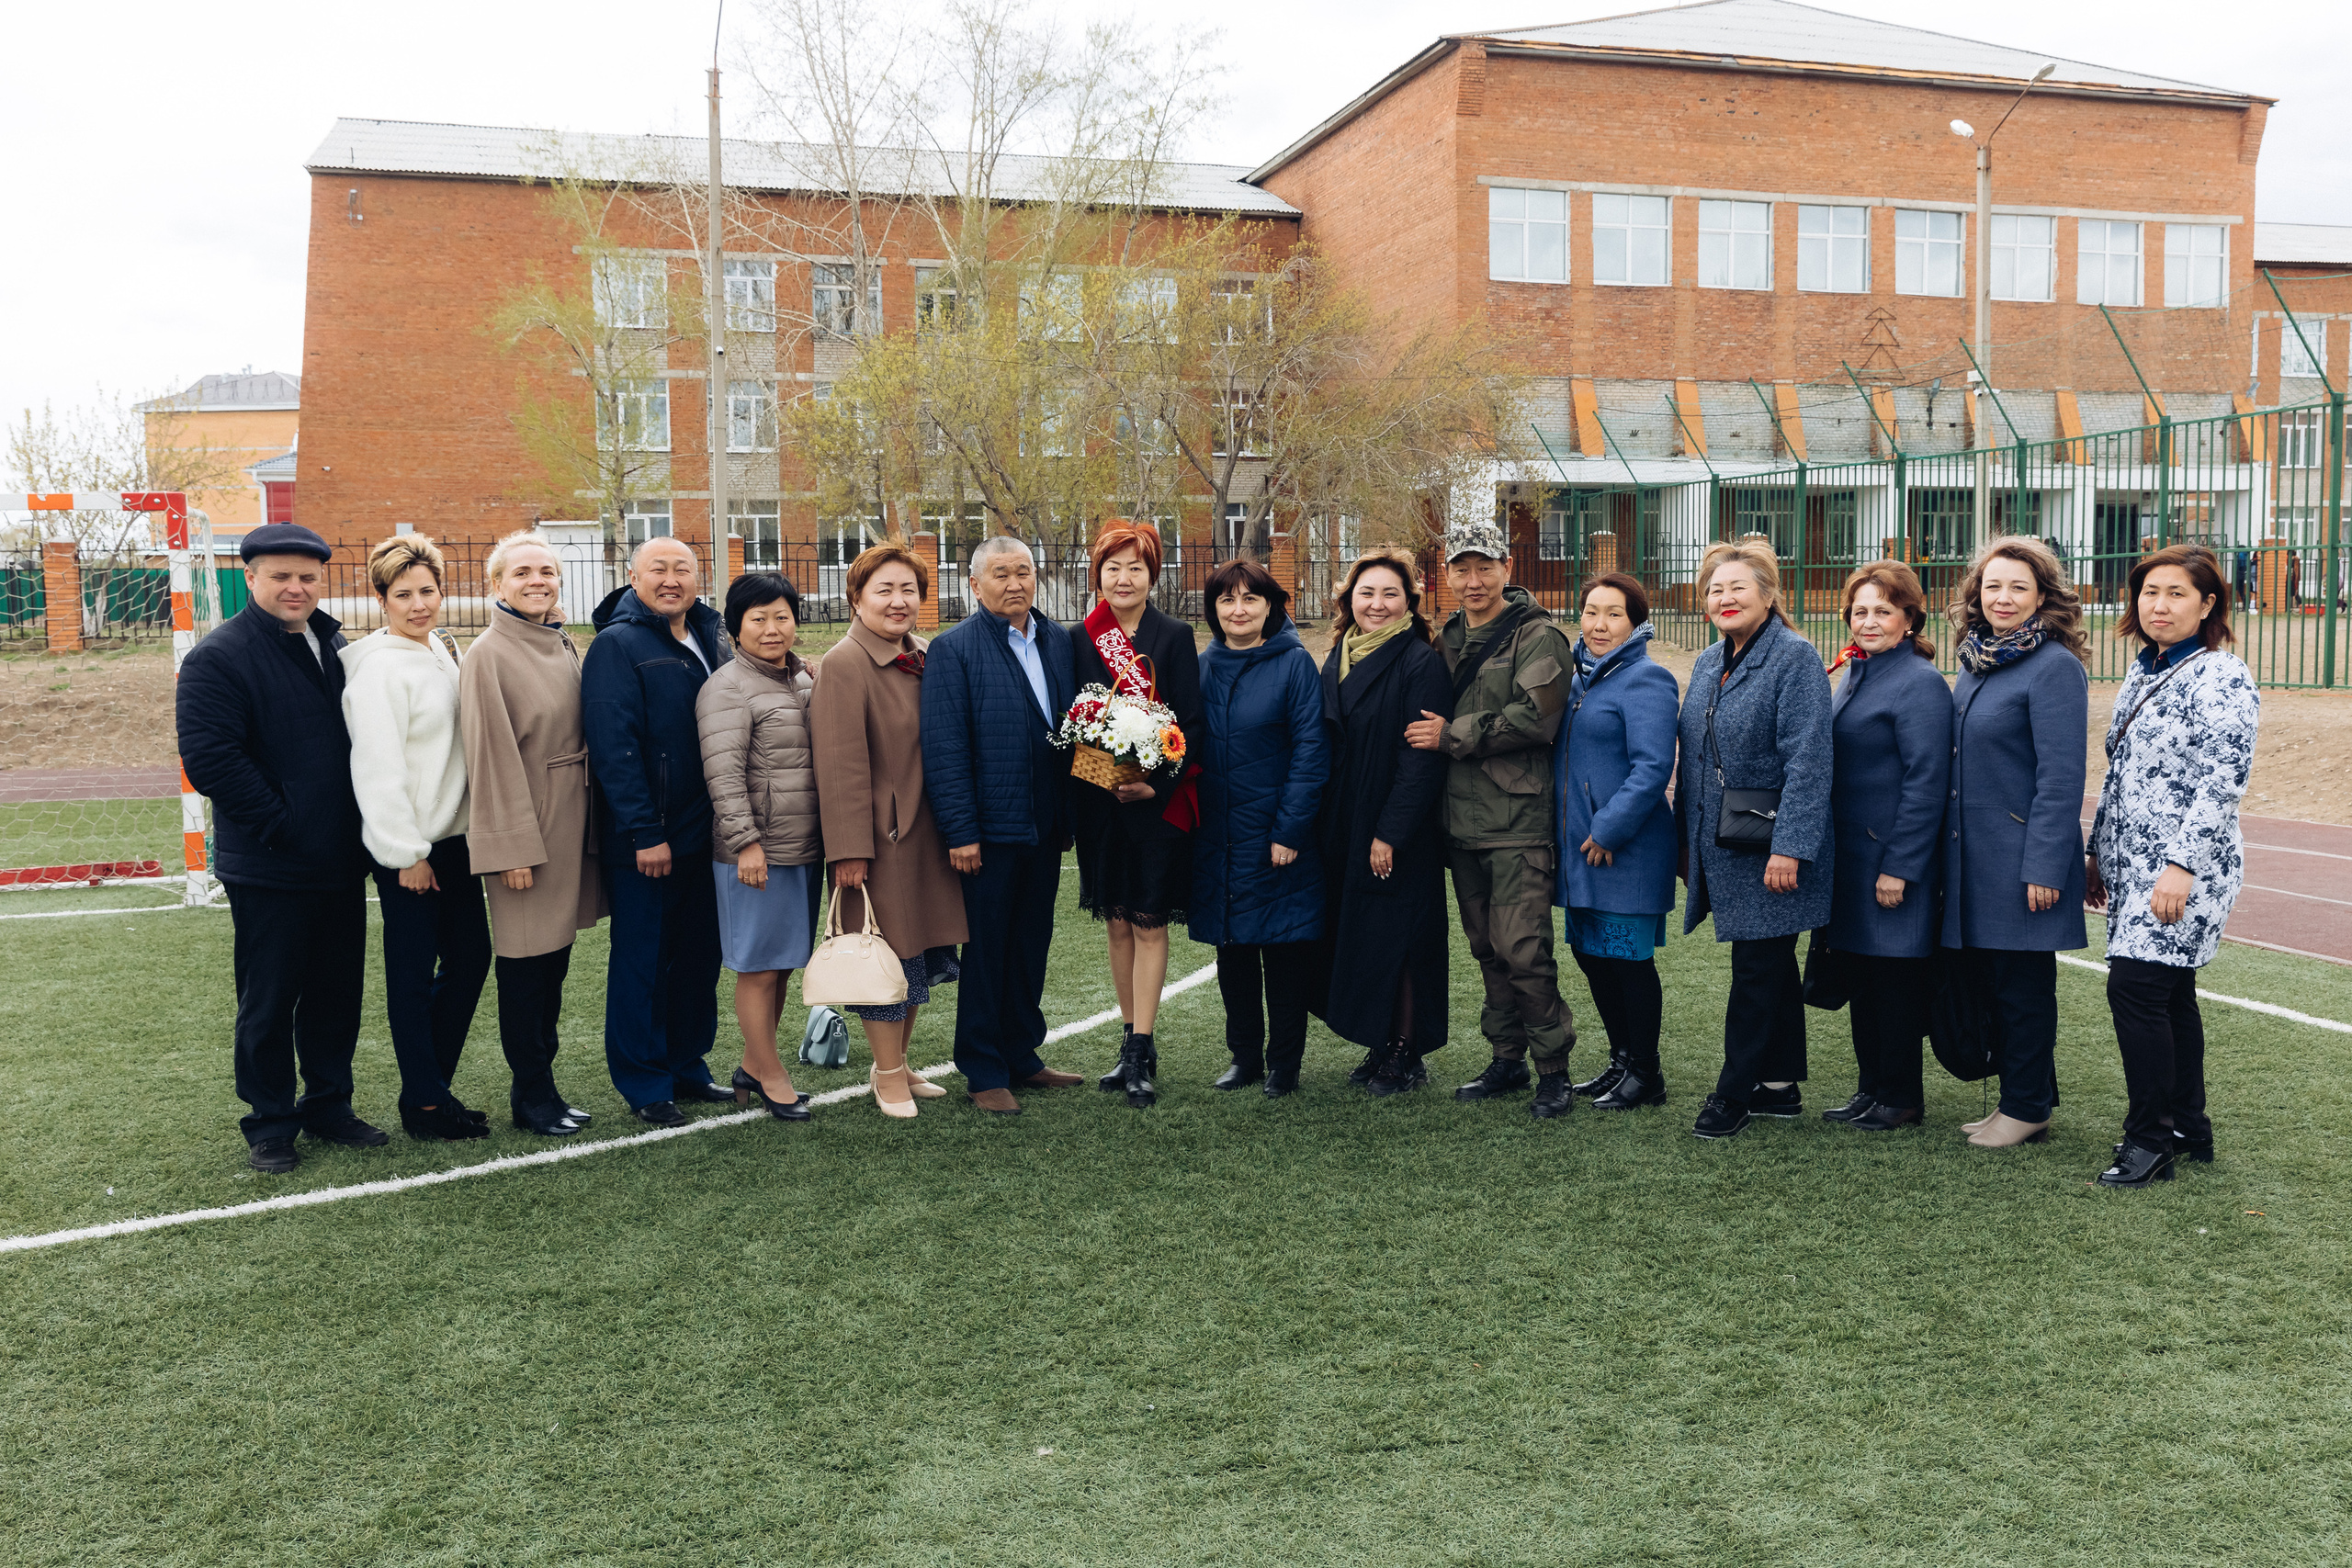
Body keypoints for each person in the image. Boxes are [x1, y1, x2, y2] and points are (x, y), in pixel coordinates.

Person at [176, 522, 380, 1173]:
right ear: (252, 578)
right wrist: (287, 824)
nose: (296, 587)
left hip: (341, 858)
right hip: (272, 861)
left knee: (335, 991)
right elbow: (211, 759)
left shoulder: (333, 641)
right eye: (282, 576)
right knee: (269, 997)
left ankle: (328, 1103)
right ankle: (270, 1122)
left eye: (307, 576)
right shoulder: (219, 656)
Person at [2087, 545, 2259, 1187]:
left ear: (2208, 604)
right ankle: (2189, 1124)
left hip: (2187, 869)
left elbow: (2223, 781)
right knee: (2170, 990)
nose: (2159, 605)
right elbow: (2121, 771)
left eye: (2177, 593)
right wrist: (2096, 851)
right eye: (2149, 591)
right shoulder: (2144, 669)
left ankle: (2148, 1141)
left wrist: (2181, 866)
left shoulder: (2223, 675)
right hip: (2133, 864)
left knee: (2135, 988)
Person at [1408, 522, 1579, 1118]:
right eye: (1462, 568)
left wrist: (1453, 734)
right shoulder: (1445, 636)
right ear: (1446, 573)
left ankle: (1553, 1069)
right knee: (1486, 948)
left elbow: (1537, 718)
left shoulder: (1538, 635)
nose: (1474, 580)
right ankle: (1506, 1056)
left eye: (1485, 567)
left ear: (1506, 566)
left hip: (1516, 821)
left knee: (1524, 949)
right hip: (1459, 822)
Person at [922, 535, 1086, 1115]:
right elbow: (944, 748)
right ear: (974, 584)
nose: (1013, 583)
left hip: (1044, 827)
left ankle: (1022, 1054)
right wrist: (961, 831)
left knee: (1030, 944)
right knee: (988, 951)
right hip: (987, 832)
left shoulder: (1059, 641)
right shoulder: (954, 649)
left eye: (1023, 571)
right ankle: (984, 1067)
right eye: (1000, 574)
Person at [1676, 540, 1834, 1140]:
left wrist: (1790, 846)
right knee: (1768, 964)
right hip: (1727, 843)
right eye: (1715, 589)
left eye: (1738, 587)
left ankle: (1733, 1092)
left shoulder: (1794, 658)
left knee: (1757, 967)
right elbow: (1695, 757)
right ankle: (1779, 1086)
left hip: (1772, 844)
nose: (1725, 597)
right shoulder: (1708, 660)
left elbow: (1810, 761)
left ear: (1768, 594)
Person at [340, 532, 492, 1143]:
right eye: (403, 593)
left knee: (471, 958)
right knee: (411, 972)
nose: (418, 602)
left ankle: (427, 1090)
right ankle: (427, 1105)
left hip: (454, 842)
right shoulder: (377, 667)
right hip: (410, 847)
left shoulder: (439, 649)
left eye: (427, 589)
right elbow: (377, 768)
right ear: (382, 599)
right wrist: (405, 853)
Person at [1941, 535, 2091, 1150]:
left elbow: (2061, 777)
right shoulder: (1979, 659)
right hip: (1976, 859)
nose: (2003, 598)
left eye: (2018, 587)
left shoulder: (2054, 665)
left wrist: (2047, 865)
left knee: (2023, 989)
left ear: (2042, 597)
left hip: (2023, 861)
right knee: (1996, 987)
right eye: (1992, 585)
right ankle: (2019, 1097)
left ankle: (2026, 1106)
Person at [809, 545, 966, 1119]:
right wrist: (849, 851)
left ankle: (894, 1063)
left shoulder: (925, 654)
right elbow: (839, 764)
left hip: (927, 832)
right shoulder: (844, 664)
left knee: (916, 954)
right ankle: (889, 1076)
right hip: (880, 841)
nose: (898, 602)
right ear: (856, 598)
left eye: (909, 591)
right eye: (884, 591)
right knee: (885, 956)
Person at [460, 529, 605, 1136]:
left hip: (572, 824)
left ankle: (545, 1083)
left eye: (547, 570)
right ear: (496, 584)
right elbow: (488, 759)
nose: (537, 580)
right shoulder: (487, 655)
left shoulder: (558, 641)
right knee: (524, 968)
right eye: (522, 572)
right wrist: (510, 848)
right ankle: (531, 1094)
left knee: (554, 966)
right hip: (530, 832)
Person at [583, 536, 730, 1128]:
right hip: (650, 839)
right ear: (632, 576)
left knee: (698, 956)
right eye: (658, 569)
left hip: (706, 835)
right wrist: (645, 832)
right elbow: (614, 747)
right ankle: (644, 1082)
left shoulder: (711, 636)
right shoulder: (617, 645)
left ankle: (686, 1065)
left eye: (684, 570)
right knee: (644, 960)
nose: (671, 580)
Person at [1068, 520, 1202, 1109]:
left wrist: (1154, 782)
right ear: (1098, 575)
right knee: (1117, 920)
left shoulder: (1173, 636)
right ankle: (1126, 1040)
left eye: (1136, 568)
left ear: (1154, 575)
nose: (1123, 579)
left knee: (1149, 920)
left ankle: (1144, 1046)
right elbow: (1071, 718)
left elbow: (1190, 724)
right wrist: (1107, 775)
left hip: (1154, 805)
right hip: (1101, 802)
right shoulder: (1081, 636)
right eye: (1113, 568)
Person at [1311, 551, 1453, 1096]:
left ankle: (1405, 1050)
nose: (1377, 604)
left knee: (1403, 938)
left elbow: (1421, 760)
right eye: (1366, 593)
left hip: (1396, 829)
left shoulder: (1421, 663)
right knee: (1367, 936)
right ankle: (1381, 1041)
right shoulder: (1338, 656)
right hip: (1346, 821)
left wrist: (1389, 832)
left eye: (1390, 594)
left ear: (1409, 604)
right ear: (1349, 599)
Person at [1189, 556, 1329, 1097]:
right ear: (1214, 610)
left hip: (1277, 836)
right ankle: (1243, 1056)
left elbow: (1311, 751)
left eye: (1251, 599)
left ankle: (1283, 1064)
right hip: (1218, 836)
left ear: (1269, 607)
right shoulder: (1203, 665)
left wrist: (1289, 832)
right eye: (1227, 599)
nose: (1239, 609)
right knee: (1234, 951)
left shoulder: (1294, 664)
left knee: (1285, 952)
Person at [1820, 560, 1951, 1134]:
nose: (1868, 622)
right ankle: (1870, 1088)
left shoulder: (1919, 682)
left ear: (1908, 619)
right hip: (1849, 862)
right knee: (1864, 982)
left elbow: (1927, 784)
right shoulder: (1856, 673)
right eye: (1860, 611)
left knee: (1895, 985)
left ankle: (1900, 1096)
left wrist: (1899, 866)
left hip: (1890, 862)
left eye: (1882, 611)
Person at [1551, 572, 1680, 1112]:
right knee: (1591, 956)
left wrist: (1608, 830)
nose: (1600, 625)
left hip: (1624, 850)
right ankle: (1622, 1060)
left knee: (1627, 962)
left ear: (1636, 622)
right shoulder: (1578, 680)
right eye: (1591, 612)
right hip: (1579, 852)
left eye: (1614, 614)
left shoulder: (1647, 679)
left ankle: (1646, 1074)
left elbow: (1652, 768)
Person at [696, 571, 822, 1123]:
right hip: (757, 854)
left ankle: (754, 1063)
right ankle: (770, 1074)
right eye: (758, 618)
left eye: (782, 616)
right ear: (735, 627)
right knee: (758, 968)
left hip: (801, 847)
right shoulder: (726, 687)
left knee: (783, 964)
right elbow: (722, 778)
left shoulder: (800, 679)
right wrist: (747, 844)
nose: (773, 629)